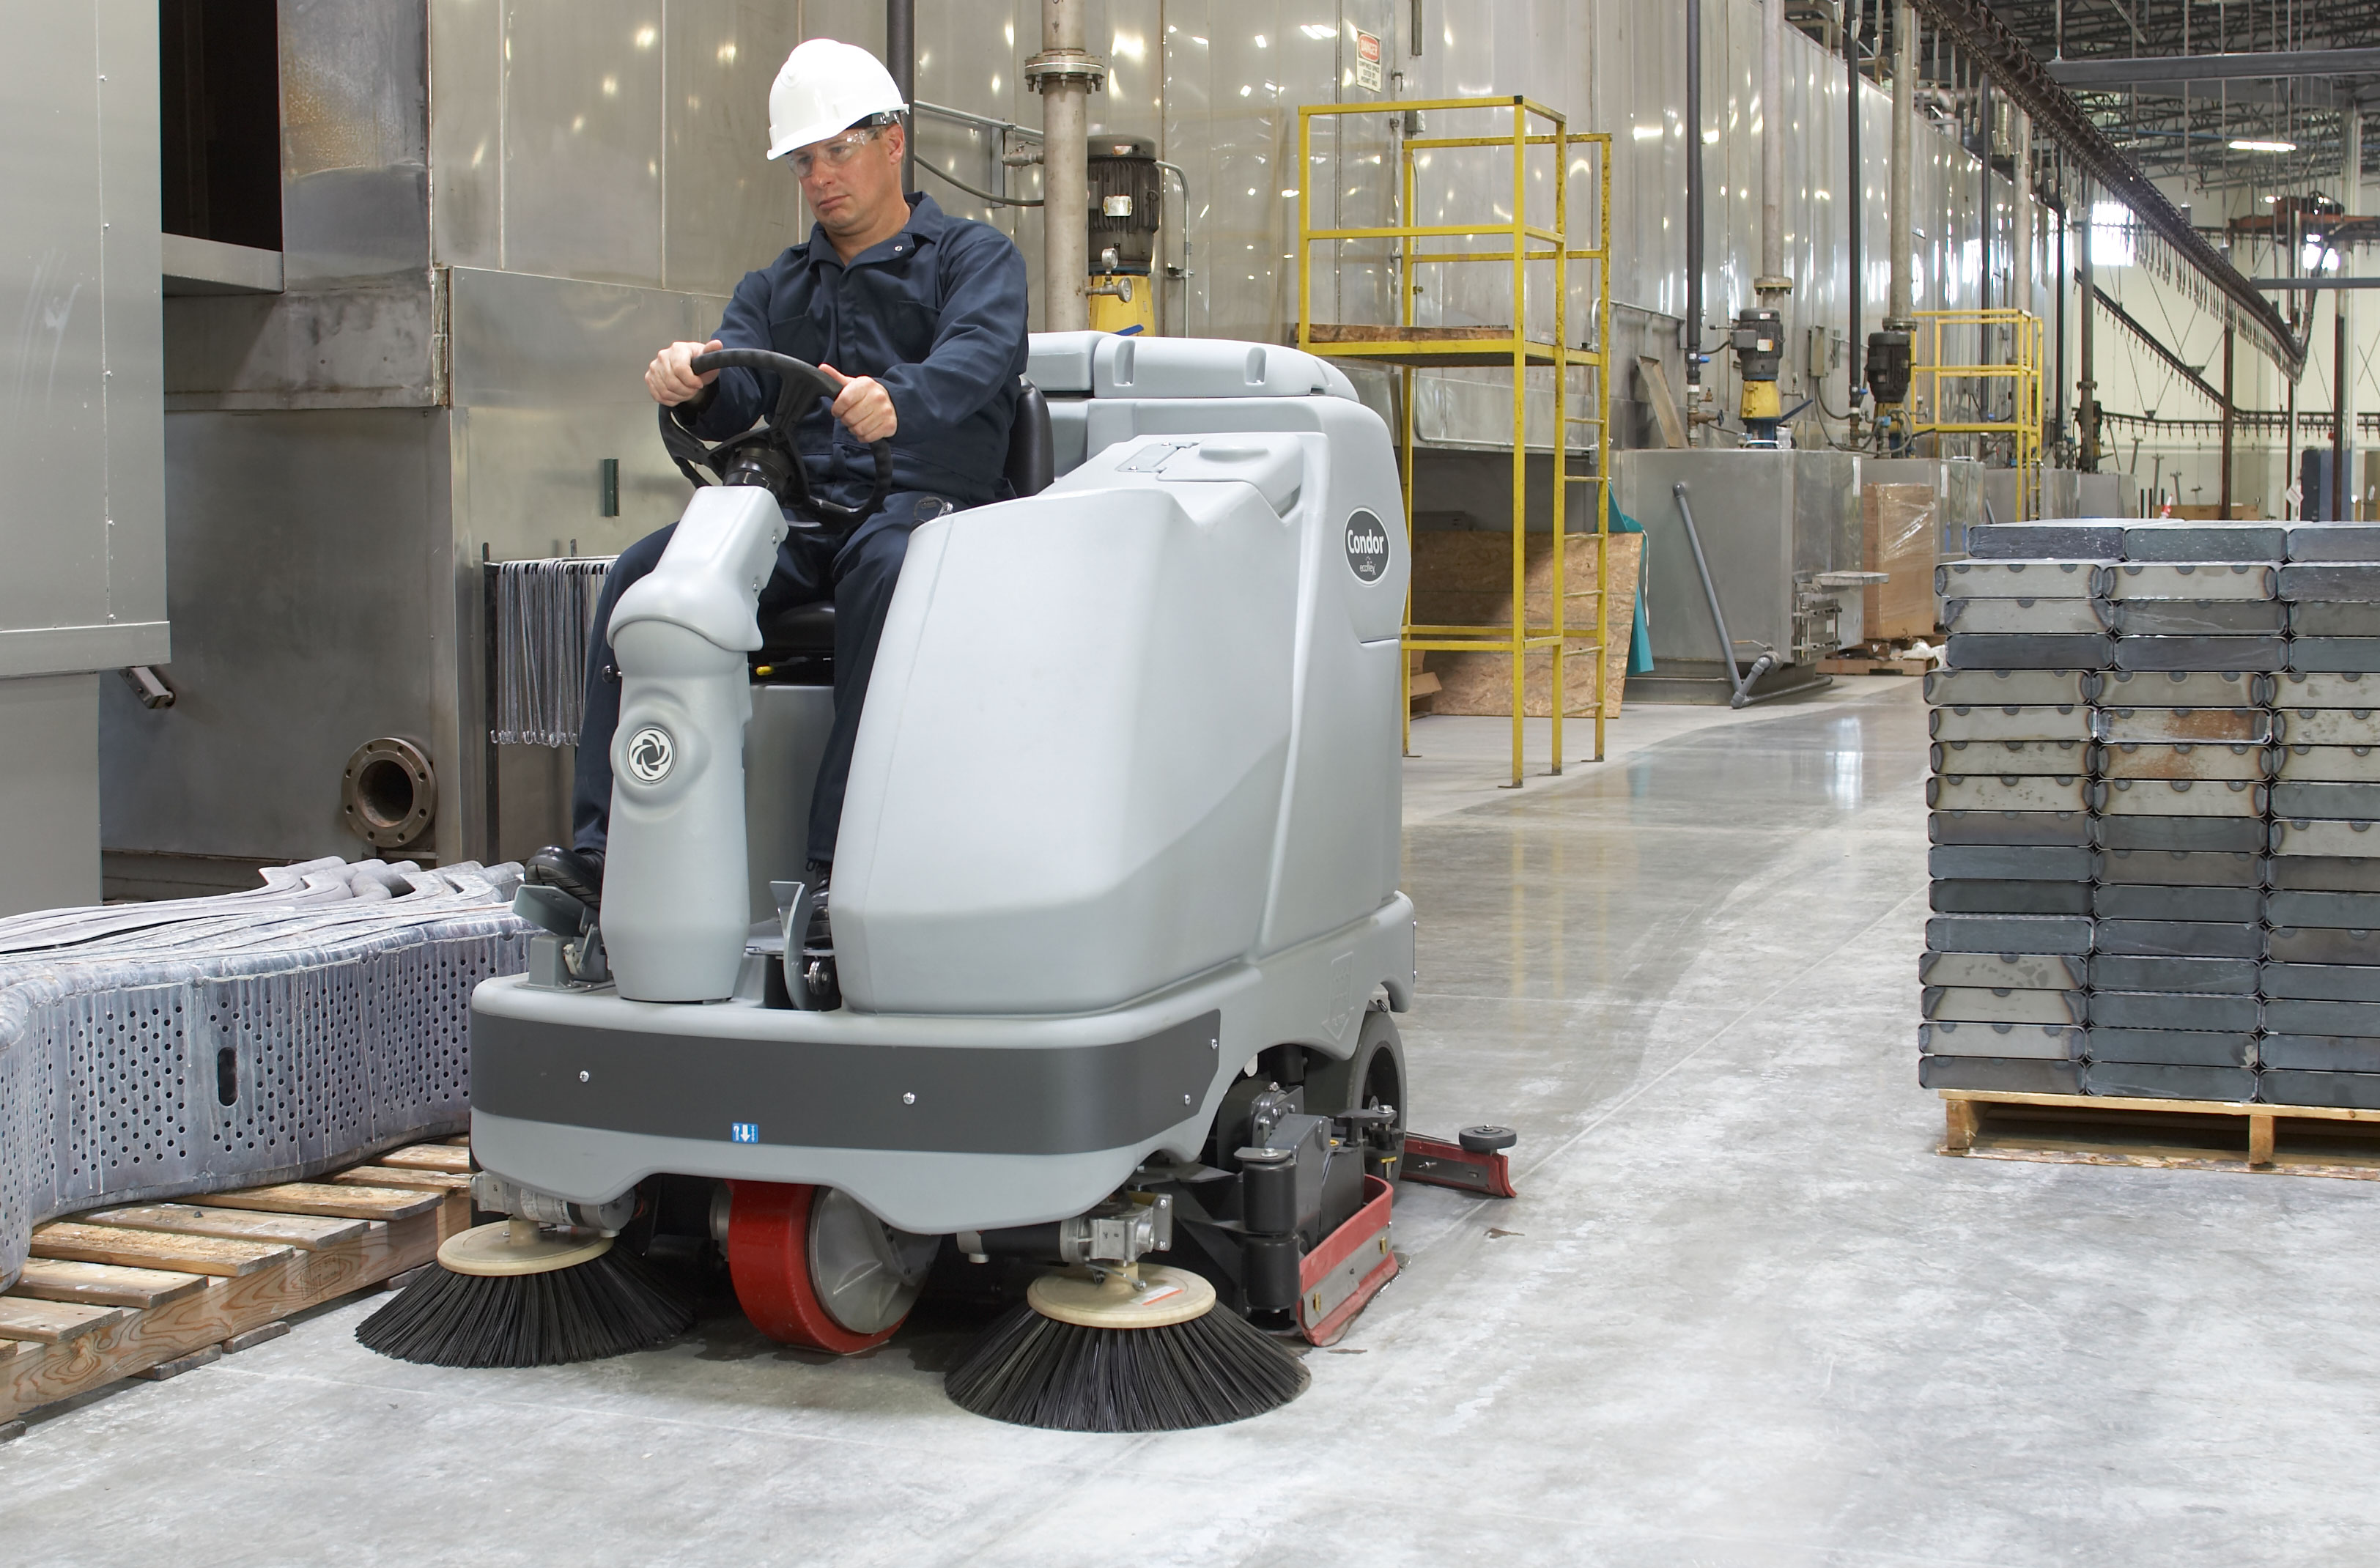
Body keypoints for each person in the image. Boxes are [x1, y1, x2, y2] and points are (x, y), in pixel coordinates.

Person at [527, 37, 1030, 911]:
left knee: (888, 568)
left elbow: (979, 356)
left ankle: (841, 867)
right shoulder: (775, 287)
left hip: (924, 505)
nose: (821, 177)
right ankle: (608, 853)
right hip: (803, 516)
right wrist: (693, 384)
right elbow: (737, 395)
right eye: (803, 161)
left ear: (892, 142)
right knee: (646, 578)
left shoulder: (973, 259)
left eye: (837, 150)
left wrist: (898, 400)